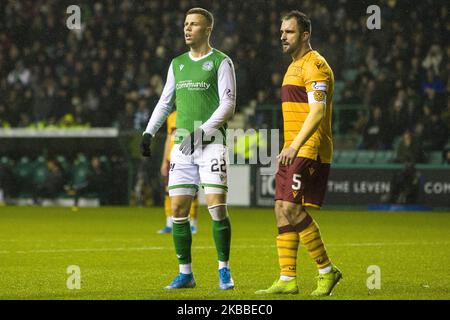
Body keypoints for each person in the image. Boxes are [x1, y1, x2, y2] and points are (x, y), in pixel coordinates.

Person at [140, 8, 236, 290]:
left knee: (217, 207)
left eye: (194, 24)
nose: (187, 28)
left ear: (208, 30)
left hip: (211, 144)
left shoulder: (221, 61)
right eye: (185, 24)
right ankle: (186, 274)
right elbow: (165, 102)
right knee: (178, 210)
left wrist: (202, 131)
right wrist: (149, 132)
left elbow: (228, 106)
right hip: (183, 147)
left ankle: (224, 270)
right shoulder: (177, 63)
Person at [256, 11, 342, 296]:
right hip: (291, 147)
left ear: (305, 34)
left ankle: (327, 271)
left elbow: (317, 111)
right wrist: (288, 146)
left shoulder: (316, 65)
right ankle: (287, 278)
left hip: (309, 147)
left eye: (289, 32)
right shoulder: (293, 66)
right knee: (280, 208)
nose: (282, 36)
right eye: (281, 31)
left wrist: (295, 146)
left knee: (292, 208)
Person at [158, 110, 199, 234]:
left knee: (192, 191)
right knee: (168, 191)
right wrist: (164, 161)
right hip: (172, 158)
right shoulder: (171, 117)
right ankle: (169, 223)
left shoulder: (193, 113)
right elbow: (168, 139)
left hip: (188, 157)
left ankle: (193, 223)